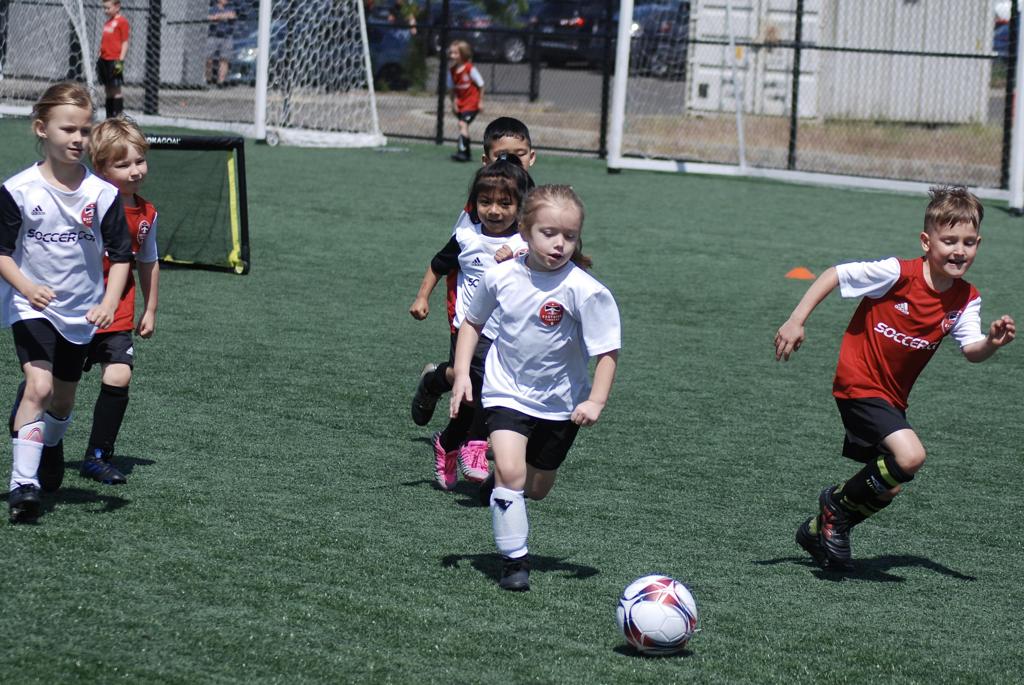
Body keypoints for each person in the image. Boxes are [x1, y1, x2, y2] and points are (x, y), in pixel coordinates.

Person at [774, 186, 1016, 571]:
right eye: (949, 240)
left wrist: (992, 342)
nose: (959, 250)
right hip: (858, 384)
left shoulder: (967, 298)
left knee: (890, 484)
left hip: (892, 398)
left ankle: (817, 529)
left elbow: (972, 350)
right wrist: (796, 320)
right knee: (911, 456)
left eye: (969, 242)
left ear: (978, 244)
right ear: (926, 241)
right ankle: (835, 507)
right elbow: (835, 273)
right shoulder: (896, 274)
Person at [450, 185, 621, 591]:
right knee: (511, 472)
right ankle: (515, 562)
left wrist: (596, 401)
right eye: (549, 233)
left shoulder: (585, 290)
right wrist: (461, 373)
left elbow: (607, 350)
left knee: (538, 488)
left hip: (561, 402)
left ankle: (502, 490)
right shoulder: (501, 275)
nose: (560, 244)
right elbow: (472, 322)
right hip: (506, 390)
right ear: (525, 231)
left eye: (570, 236)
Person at [0, 82, 132, 523]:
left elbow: (122, 257)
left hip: (81, 311)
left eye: (85, 130)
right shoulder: (18, 190)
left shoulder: (103, 194)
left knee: (62, 400)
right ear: (42, 129)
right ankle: (23, 484)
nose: (78, 138)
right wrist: (26, 287)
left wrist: (109, 303)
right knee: (37, 387)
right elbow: (1, 253)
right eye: (68, 129)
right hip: (31, 306)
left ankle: (51, 443)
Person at [410, 157, 532, 490]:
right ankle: (475, 446)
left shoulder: (526, 243)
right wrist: (422, 297)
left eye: (504, 204)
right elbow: (438, 264)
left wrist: (520, 260)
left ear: (520, 207)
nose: (494, 210)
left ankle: (448, 443)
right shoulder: (466, 237)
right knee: (481, 388)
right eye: (485, 202)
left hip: (509, 333)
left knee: (479, 395)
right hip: (471, 328)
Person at [410, 117, 537, 427]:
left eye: (518, 155)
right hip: (470, 303)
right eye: (500, 156)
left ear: (531, 157)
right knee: (468, 372)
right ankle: (436, 384)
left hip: (512, 312)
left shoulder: (536, 202)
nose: (494, 209)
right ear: (485, 161)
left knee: (498, 373)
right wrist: (423, 296)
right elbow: (452, 257)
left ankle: (484, 433)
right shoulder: (474, 215)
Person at [79, 116, 160, 485]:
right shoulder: (86, 202)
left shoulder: (147, 214)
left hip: (119, 311)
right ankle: (40, 440)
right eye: (123, 164)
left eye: (139, 161)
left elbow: (148, 260)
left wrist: (151, 308)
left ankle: (98, 455)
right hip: (76, 307)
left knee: (119, 373)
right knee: (55, 387)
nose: (135, 171)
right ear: (101, 168)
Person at [447, 40, 484, 162]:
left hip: (472, 104)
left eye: (455, 53)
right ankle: (467, 154)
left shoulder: (470, 69)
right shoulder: (452, 71)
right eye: (451, 53)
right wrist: (453, 103)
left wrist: (480, 102)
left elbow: (481, 85)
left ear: (463, 54)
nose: (452, 55)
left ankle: (462, 152)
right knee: (464, 126)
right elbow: (451, 90)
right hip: (461, 105)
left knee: (462, 124)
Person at [97, 0, 129, 119]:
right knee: (107, 89)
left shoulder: (122, 22)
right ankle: (109, 117)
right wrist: (100, 53)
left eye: (108, 8)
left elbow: (125, 42)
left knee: (116, 89)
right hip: (104, 60)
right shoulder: (108, 22)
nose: (105, 11)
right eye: (104, 8)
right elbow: (105, 41)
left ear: (117, 7)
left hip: (114, 60)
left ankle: (118, 118)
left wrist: (121, 60)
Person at [206, 0, 237, 88]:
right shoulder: (212, 8)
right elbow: (209, 17)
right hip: (213, 36)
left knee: (224, 59)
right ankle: (209, 79)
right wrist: (223, 16)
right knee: (208, 59)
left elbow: (232, 15)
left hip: (226, 37)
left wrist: (219, 16)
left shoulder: (230, 7)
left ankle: (221, 82)